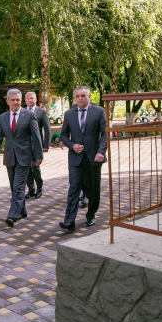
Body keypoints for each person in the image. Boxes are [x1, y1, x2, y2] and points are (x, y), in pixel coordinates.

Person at [0, 89, 43, 228]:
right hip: (9, 157)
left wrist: (39, 156)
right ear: (7, 101)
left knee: (18, 187)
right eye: (12, 100)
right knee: (14, 187)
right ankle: (22, 211)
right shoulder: (2, 117)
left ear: (21, 101)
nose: (15, 102)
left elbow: (36, 136)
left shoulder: (29, 115)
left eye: (18, 100)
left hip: (25, 157)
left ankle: (12, 215)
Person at [59, 86, 107, 232]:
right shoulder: (69, 114)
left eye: (83, 96)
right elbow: (63, 135)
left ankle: (91, 215)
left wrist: (101, 152)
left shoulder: (99, 111)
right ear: (74, 98)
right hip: (75, 158)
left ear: (89, 97)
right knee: (74, 188)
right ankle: (69, 221)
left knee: (93, 188)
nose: (80, 98)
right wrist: (72, 145)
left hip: (94, 157)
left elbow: (105, 134)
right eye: (78, 96)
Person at [24, 92, 51, 198]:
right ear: (25, 100)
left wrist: (46, 145)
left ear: (36, 99)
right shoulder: (22, 111)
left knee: (35, 166)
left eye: (32, 98)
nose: (30, 100)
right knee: (27, 167)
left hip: (36, 145)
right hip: (25, 145)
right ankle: (31, 189)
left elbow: (47, 129)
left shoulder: (41, 111)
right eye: (28, 98)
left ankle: (39, 187)